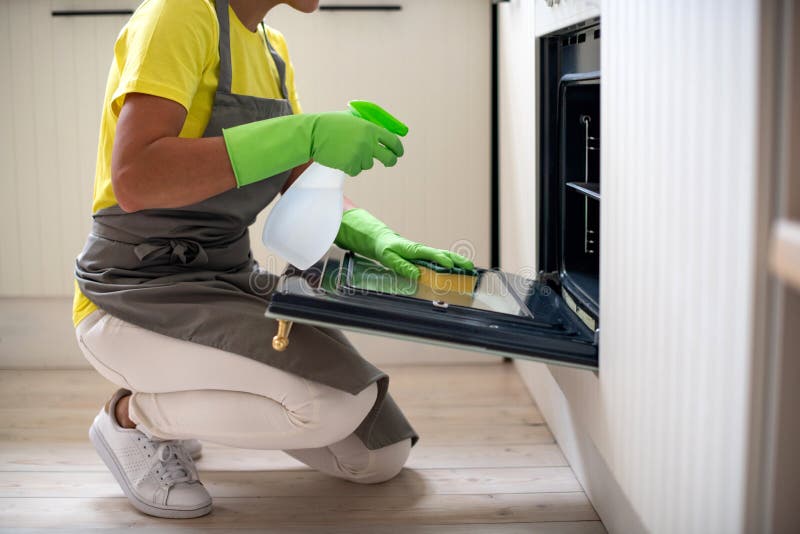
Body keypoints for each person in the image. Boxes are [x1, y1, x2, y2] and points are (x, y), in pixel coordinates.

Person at [72, 0, 473, 520]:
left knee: (379, 455)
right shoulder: (178, 13)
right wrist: (304, 132)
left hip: (226, 279)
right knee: (330, 405)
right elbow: (136, 177)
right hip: (134, 290)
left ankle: (174, 401)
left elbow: (300, 182)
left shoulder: (272, 49)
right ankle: (132, 418)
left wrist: (379, 238)